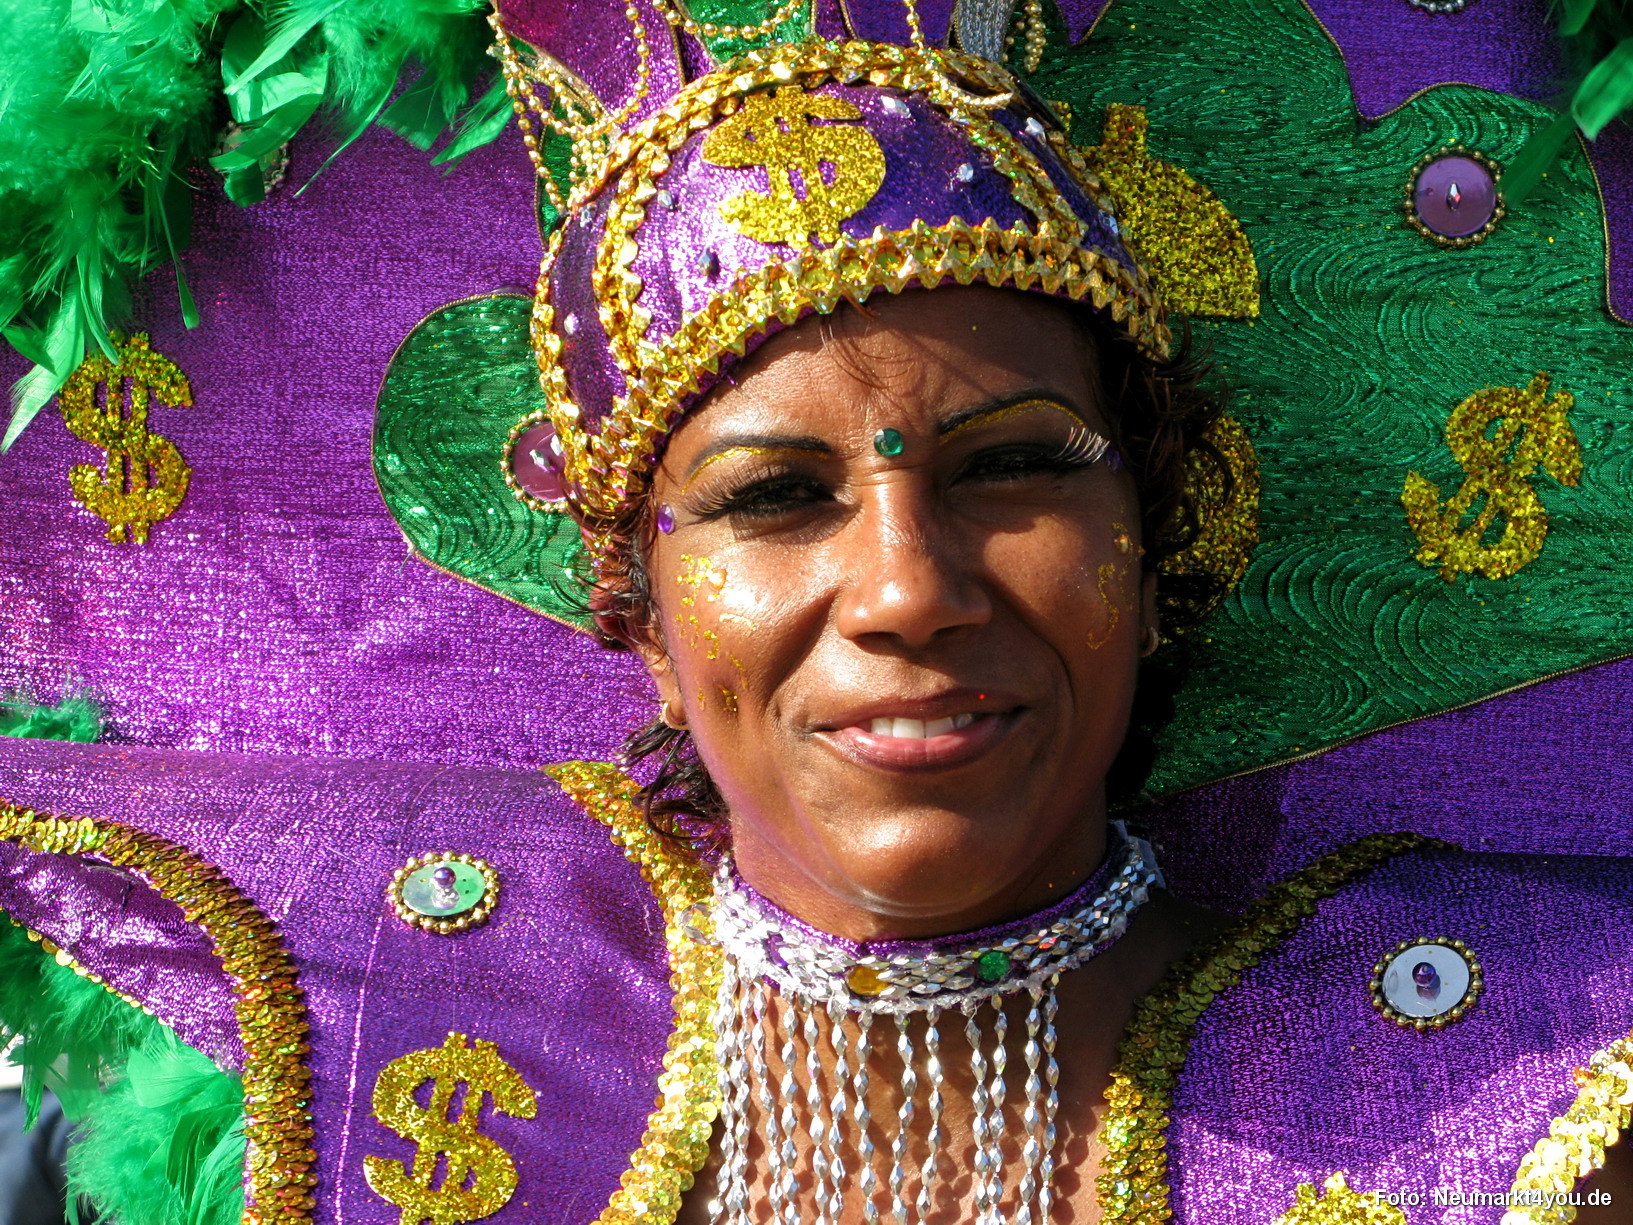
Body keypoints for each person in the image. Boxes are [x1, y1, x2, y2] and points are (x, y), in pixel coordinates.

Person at [3, 0, 1633, 1223]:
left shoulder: (1524, 1104)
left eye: (1014, 469)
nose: (908, 588)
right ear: (637, 609)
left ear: (1161, 543)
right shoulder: (365, 1053)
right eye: (774, 497)